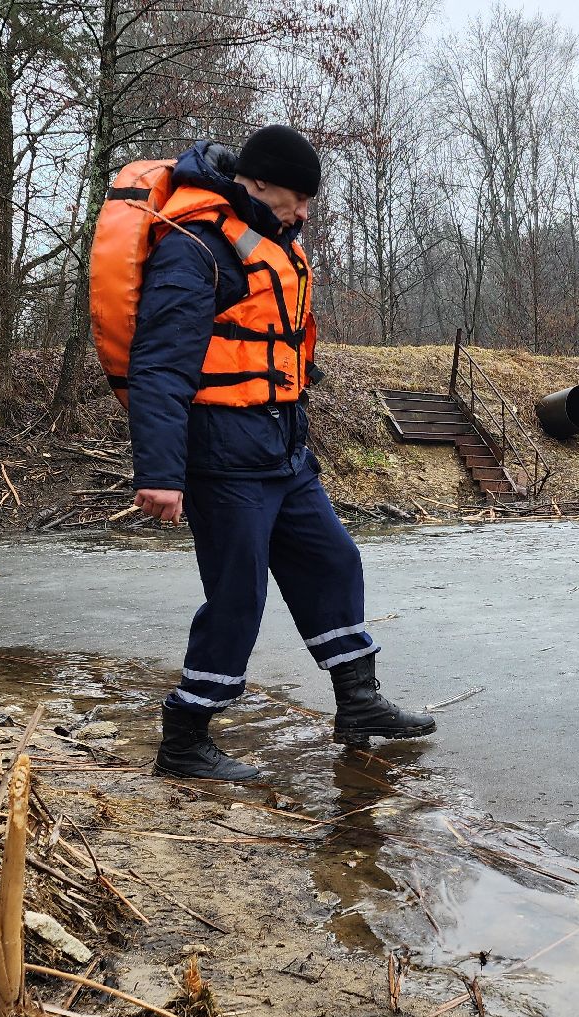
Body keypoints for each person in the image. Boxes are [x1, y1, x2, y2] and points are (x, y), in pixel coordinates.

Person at [125, 127, 434, 781]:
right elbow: (159, 367)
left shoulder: (267, 243)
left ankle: (359, 703)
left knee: (333, 560)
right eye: (297, 198)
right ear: (259, 183)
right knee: (238, 598)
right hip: (223, 459)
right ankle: (184, 740)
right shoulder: (196, 249)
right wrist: (159, 472)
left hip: (282, 452)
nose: (303, 213)